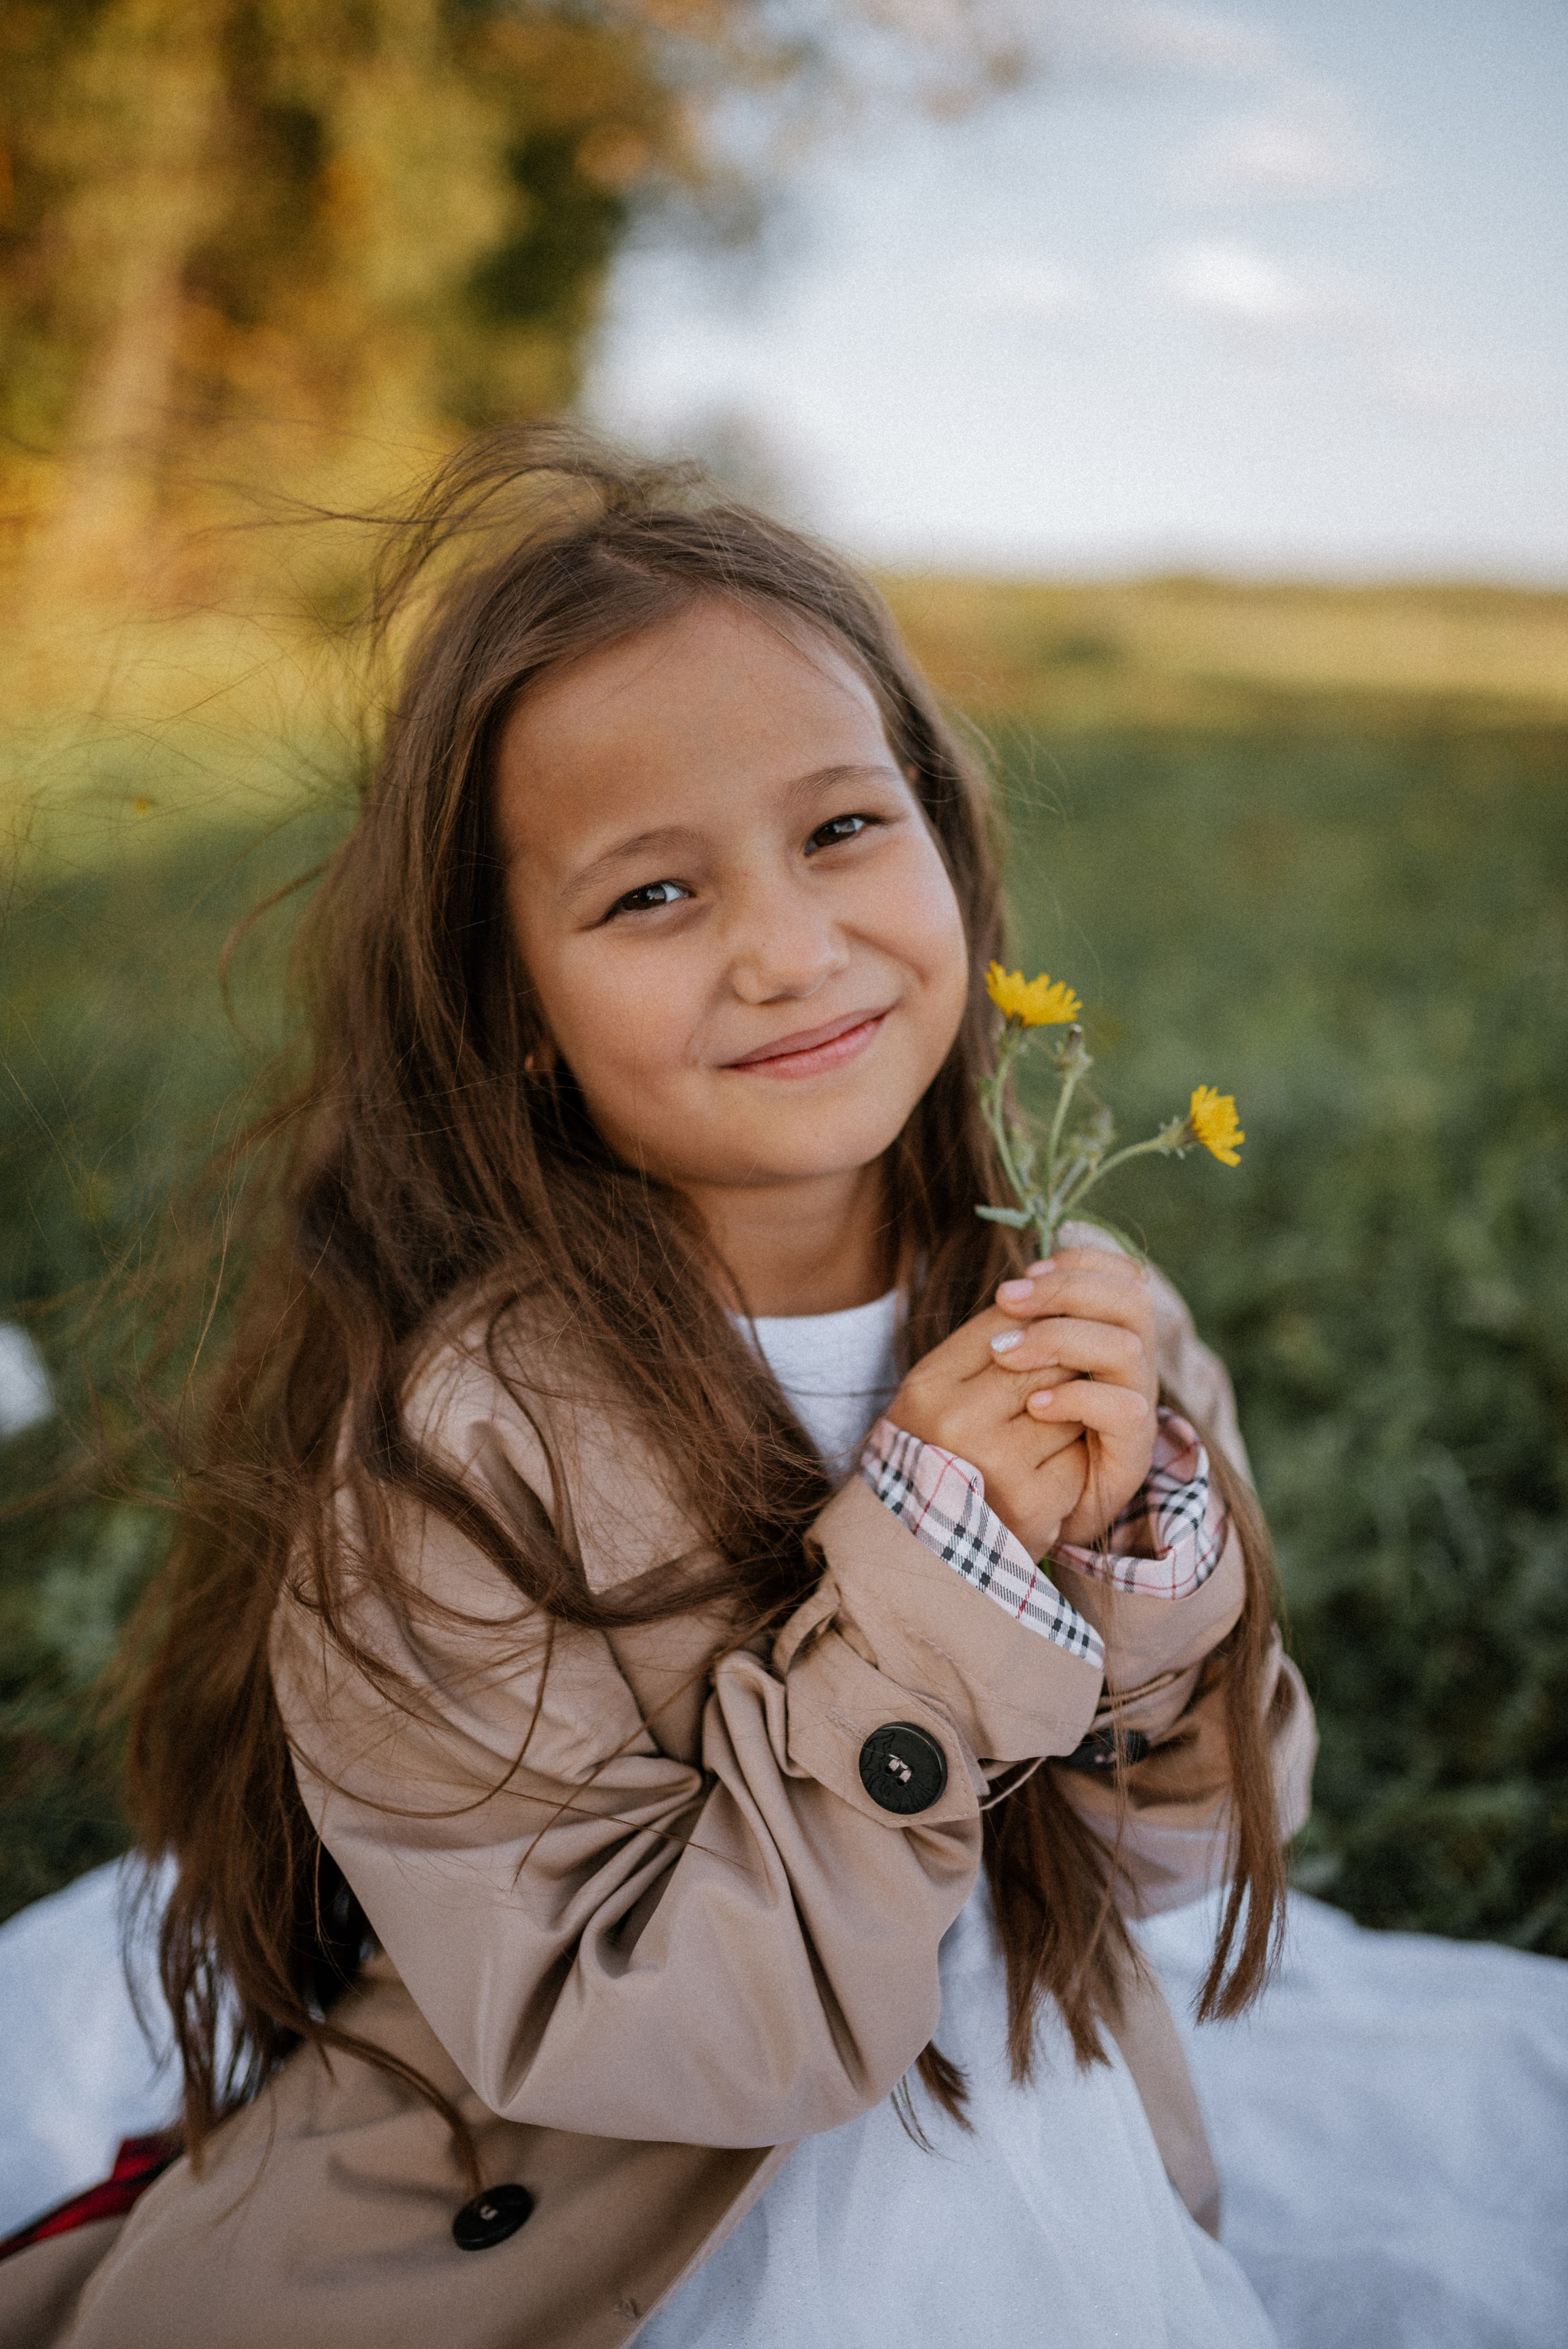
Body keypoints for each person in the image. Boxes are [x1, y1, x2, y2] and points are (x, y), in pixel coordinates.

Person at [0, 426, 1314, 2349]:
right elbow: (651, 2023)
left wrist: (1140, 1561)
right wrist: (940, 1588)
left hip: (1021, 2123)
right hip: (609, 2210)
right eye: (651, 897)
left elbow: (1196, 1847)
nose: (792, 948)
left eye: (845, 828)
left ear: (947, 831)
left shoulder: (1083, 1315)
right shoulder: (460, 1452)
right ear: (518, 1010)